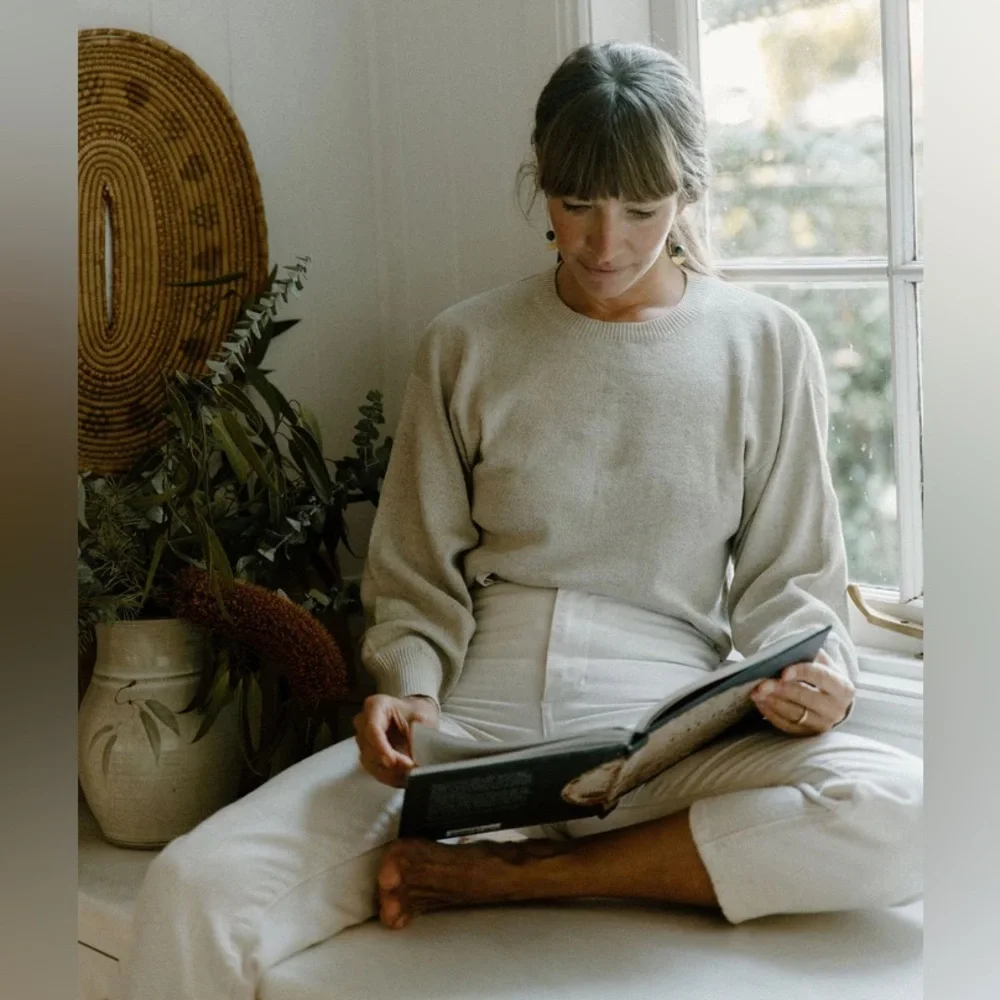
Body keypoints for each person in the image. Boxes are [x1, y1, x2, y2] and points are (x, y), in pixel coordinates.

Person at [121, 41, 922, 999]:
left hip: (662, 739)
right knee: (191, 890)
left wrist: (821, 679)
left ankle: (529, 874)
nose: (607, 244)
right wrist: (409, 691)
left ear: (689, 192)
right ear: (540, 182)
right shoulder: (467, 342)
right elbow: (414, 574)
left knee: (914, 804)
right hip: (470, 729)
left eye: (643, 209)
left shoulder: (766, 345)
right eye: (577, 204)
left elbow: (791, 584)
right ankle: (495, 846)